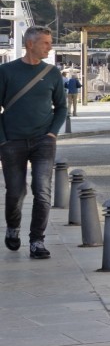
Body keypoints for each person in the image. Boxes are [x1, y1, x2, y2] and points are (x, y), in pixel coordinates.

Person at [1, 26, 69, 259]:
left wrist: (52, 133)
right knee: (15, 192)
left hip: (43, 141)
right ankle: (13, 227)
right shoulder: (6, 71)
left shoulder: (52, 73)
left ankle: (37, 241)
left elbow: (61, 107)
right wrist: (3, 140)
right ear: (31, 44)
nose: (50, 47)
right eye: (46, 43)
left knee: (42, 192)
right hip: (12, 142)